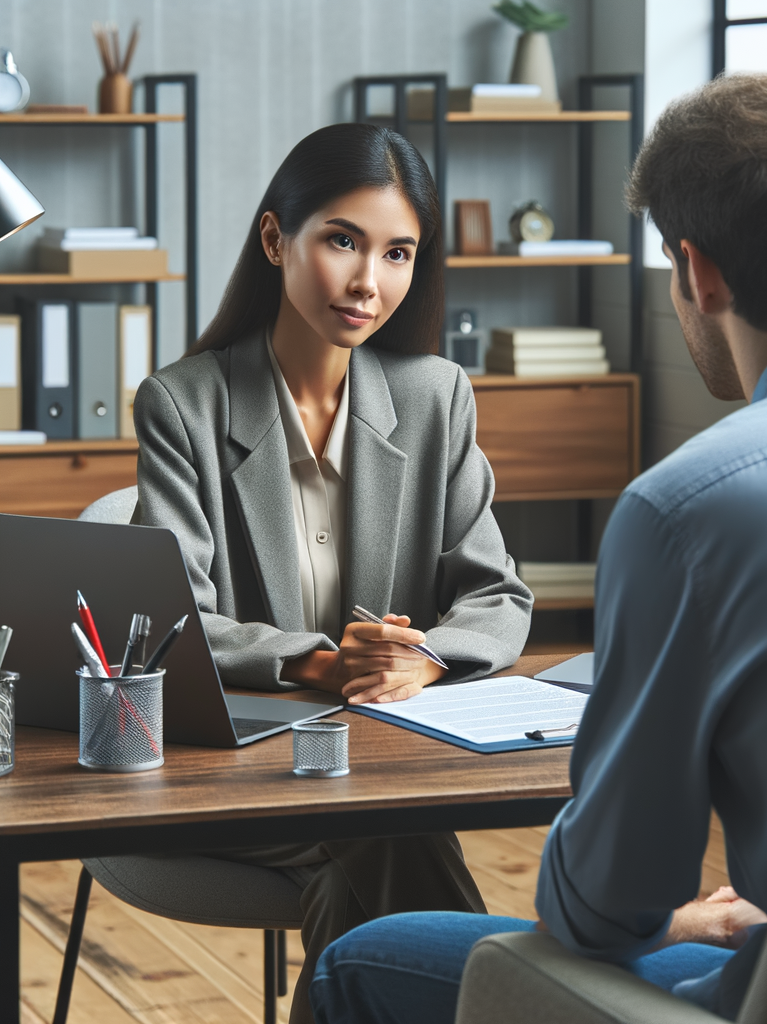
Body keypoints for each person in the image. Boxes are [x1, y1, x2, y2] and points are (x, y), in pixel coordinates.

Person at [306, 72, 767, 1024]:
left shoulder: (685, 509)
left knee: (357, 963)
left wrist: (662, 912)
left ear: (699, 272)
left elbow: (607, 904)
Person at [132, 123, 533, 1024]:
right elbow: (172, 620)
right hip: (242, 768)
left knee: (372, 851)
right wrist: (320, 664)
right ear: (277, 240)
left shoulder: (436, 396)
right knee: (389, 842)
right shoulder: (184, 404)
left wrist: (423, 655)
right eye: (342, 241)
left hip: (387, 764)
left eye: (398, 253)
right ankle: (528, 1001)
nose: (368, 282)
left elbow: (498, 593)